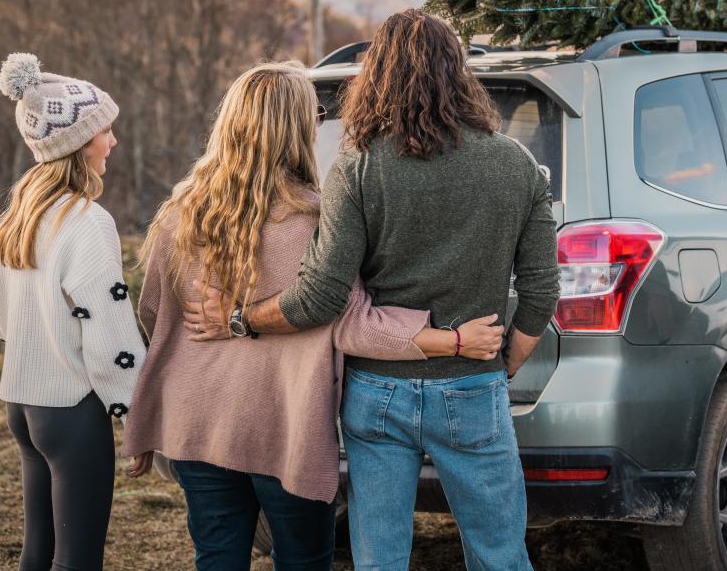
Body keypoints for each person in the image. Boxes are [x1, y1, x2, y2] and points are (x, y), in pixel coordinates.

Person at [186, 11, 561, 571]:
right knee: (500, 557)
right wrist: (503, 363)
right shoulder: (516, 164)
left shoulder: (357, 167)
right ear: (459, 73)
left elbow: (321, 297)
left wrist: (240, 319)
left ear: (377, 75)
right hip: (472, 387)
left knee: (379, 561)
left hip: (377, 392)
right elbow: (540, 293)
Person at [122, 61, 504, 571]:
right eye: (316, 116)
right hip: (283, 427)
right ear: (297, 129)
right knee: (303, 560)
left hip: (195, 420)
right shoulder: (314, 222)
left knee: (216, 557)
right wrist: (450, 341)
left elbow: (154, 315)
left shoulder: (180, 214)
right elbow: (353, 323)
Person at [0, 53, 151, 571]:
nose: (113, 142)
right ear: (78, 143)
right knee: (77, 561)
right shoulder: (87, 220)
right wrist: (137, 417)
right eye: (106, 131)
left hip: (24, 405)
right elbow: (110, 335)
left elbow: (2, 322)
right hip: (72, 410)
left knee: (37, 553)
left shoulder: (17, 215)